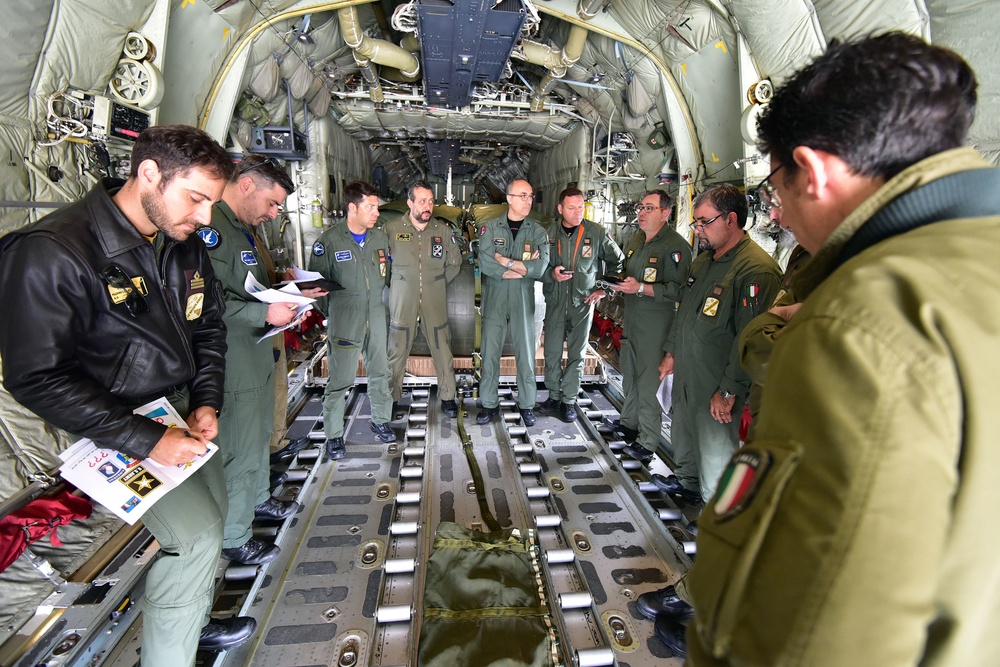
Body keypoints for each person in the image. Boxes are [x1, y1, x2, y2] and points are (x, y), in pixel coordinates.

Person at [683, 33, 1000, 666]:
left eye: (776, 188)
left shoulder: (859, 325)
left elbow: (816, 626)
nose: (779, 212)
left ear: (816, 171)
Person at [0, 125, 256, 664]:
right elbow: (36, 376)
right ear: (148, 174)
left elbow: (207, 327)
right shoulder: (57, 252)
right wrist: (146, 439)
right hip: (112, 425)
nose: (205, 217)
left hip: (178, 412)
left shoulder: (180, 244)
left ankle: (190, 620)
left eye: (211, 202)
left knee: (219, 505)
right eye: (196, 198)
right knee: (196, 535)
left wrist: (206, 400)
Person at [200, 154, 320, 566]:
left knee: (256, 439)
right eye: (271, 203)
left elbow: (245, 284)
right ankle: (235, 535)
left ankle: (257, 501)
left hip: (257, 351)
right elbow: (198, 301)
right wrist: (263, 313)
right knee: (237, 445)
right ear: (247, 185)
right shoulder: (211, 229)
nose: (273, 214)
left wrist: (286, 289)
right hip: (232, 356)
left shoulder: (242, 230)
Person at [649, 185, 780, 507]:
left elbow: (749, 338)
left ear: (731, 219)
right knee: (685, 431)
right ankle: (688, 484)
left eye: (704, 222)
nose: (698, 231)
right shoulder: (703, 263)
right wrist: (671, 353)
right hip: (690, 368)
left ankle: (715, 511)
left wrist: (728, 390)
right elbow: (685, 312)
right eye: (695, 223)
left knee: (715, 447)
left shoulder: (755, 270)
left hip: (718, 378)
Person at [309, 180, 394, 459]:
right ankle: (333, 435)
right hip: (345, 319)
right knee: (341, 380)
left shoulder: (380, 239)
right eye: (370, 207)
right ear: (352, 208)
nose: (376, 213)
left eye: (377, 207)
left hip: (376, 316)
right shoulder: (329, 241)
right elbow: (317, 287)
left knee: (381, 372)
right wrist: (336, 313)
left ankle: (381, 420)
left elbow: (387, 275)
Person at [611, 191, 691, 461]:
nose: (641, 213)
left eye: (649, 208)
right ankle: (628, 424)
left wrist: (642, 288)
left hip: (656, 326)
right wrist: (614, 284)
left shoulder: (676, 248)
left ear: (665, 213)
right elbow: (628, 273)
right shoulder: (637, 240)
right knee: (630, 375)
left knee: (648, 383)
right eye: (640, 207)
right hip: (633, 320)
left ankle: (647, 442)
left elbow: (679, 290)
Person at [538, 188, 625, 423]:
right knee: (552, 353)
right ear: (560, 209)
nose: (577, 212)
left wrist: (603, 290)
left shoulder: (595, 232)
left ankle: (569, 400)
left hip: (582, 304)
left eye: (581, 207)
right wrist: (551, 275)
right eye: (571, 208)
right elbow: (537, 267)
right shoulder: (548, 234)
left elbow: (617, 261)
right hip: (556, 302)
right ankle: (554, 396)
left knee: (577, 354)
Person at [385, 180, 463, 417]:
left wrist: (435, 282)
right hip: (402, 299)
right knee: (396, 349)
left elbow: (455, 263)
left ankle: (448, 395)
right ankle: (391, 396)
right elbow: (380, 264)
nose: (428, 206)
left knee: (442, 347)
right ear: (410, 203)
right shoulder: (391, 229)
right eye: (422, 201)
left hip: (434, 299)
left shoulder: (443, 231)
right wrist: (397, 283)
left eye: (430, 201)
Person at [476, 179, 550, 426]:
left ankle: (527, 405)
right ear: (509, 198)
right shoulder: (490, 228)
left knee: (526, 354)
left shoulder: (538, 231)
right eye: (522, 196)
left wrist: (504, 261)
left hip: (523, 299)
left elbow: (539, 268)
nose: (528, 201)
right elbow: (485, 264)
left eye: (530, 196)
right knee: (489, 353)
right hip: (495, 298)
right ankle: (488, 404)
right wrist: (521, 268)